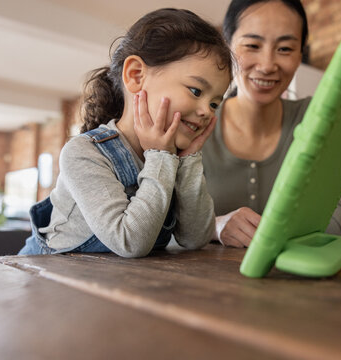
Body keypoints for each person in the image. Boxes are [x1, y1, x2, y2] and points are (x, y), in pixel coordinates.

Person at [19, 8, 232, 257]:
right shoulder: (83, 153)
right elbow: (129, 241)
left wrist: (188, 160)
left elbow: (195, 237)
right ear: (136, 75)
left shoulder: (174, 158)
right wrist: (161, 155)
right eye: (196, 91)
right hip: (44, 278)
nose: (207, 110)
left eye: (215, 103)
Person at [202, 0, 341, 247]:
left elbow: (333, 222)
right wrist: (212, 227)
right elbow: (160, 225)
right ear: (226, 48)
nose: (268, 65)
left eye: (285, 49)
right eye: (252, 45)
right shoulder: (198, 121)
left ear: (300, 54)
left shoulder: (315, 117)